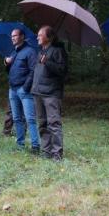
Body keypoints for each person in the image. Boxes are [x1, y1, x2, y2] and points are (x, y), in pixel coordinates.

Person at [31, 25, 69, 161]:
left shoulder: (58, 51)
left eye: (40, 35)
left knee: (54, 123)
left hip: (52, 93)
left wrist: (48, 62)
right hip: (38, 92)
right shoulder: (41, 51)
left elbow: (62, 71)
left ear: (50, 37)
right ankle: (45, 151)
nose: (37, 37)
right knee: (42, 123)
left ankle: (57, 153)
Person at [4, 27, 39, 153]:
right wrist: (6, 64)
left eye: (15, 35)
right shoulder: (14, 52)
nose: (13, 38)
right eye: (12, 36)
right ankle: (20, 145)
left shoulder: (30, 52)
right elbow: (10, 72)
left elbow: (33, 70)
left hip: (24, 91)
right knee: (17, 118)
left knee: (30, 119)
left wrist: (25, 88)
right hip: (12, 90)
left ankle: (35, 146)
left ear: (22, 37)